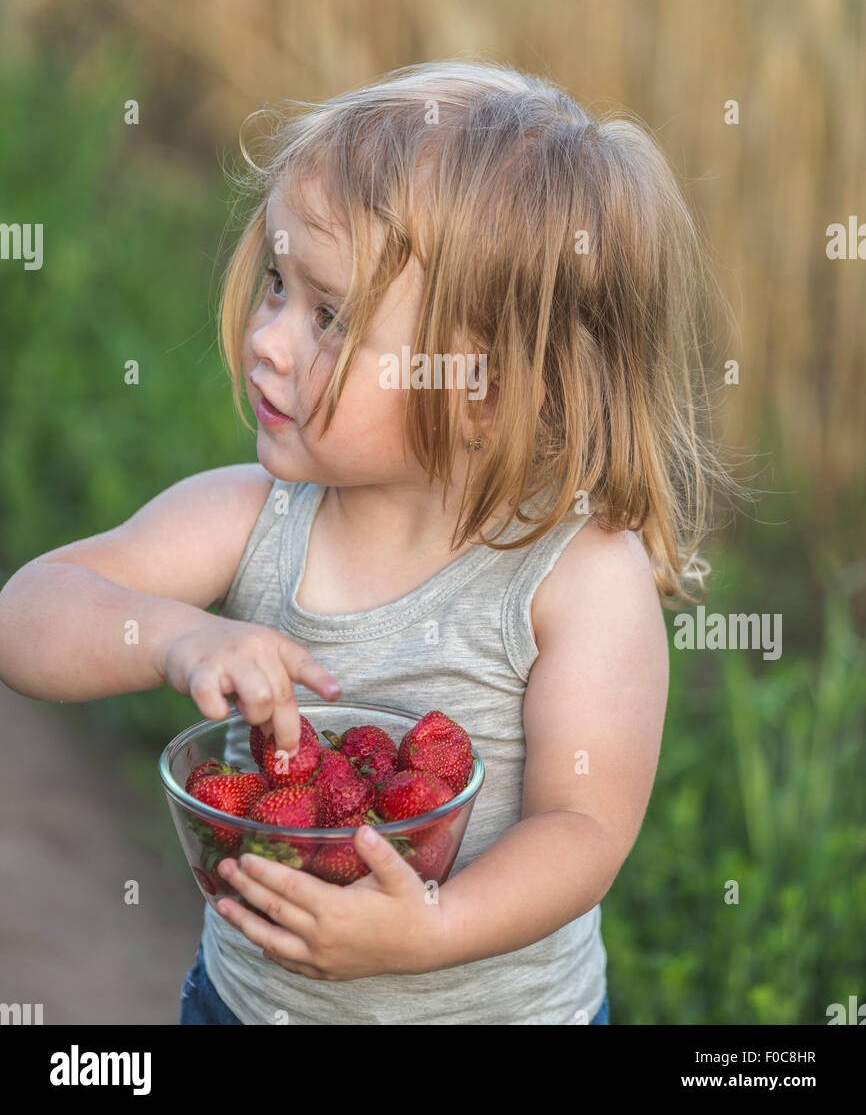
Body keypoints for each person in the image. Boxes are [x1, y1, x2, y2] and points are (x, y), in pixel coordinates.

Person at [0, 58, 743, 1025]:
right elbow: (27, 615)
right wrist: (174, 637)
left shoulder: (577, 578)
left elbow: (584, 825)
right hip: (248, 1008)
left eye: (329, 316)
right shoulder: (250, 515)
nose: (268, 338)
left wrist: (432, 926)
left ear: (487, 384)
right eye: (276, 283)